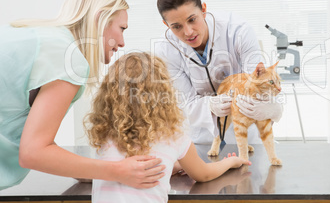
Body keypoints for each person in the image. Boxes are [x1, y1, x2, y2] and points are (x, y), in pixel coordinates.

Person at [0, 0, 165, 190]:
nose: (123, 42)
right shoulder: (67, 57)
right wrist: (119, 171)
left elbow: (33, 139)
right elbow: (33, 152)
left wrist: (87, 170)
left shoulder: (38, 34)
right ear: (100, 19)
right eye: (121, 28)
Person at [85, 52, 251, 203]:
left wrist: (172, 164)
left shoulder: (103, 135)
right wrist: (231, 162)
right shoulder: (174, 136)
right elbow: (204, 174)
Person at [154, 0, 284, 145]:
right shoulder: (165, 51)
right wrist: (210, 105)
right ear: (166, 25)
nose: (188, 32)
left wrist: (274, 109)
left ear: (203, 10)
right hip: (201, 140)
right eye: (176, 26)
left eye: (192, 19)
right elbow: (184, 104)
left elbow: (259, 84)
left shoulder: (238, 31)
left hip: (249, 137)